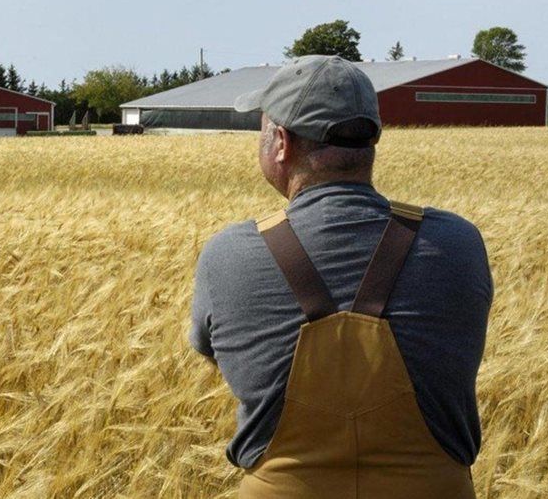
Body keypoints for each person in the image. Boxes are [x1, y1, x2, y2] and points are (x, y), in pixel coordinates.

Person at [189, 55, 492, 498]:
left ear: (280, 142)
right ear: (370, 138)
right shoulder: (459, 244)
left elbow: (216, 352)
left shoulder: (228, 256)